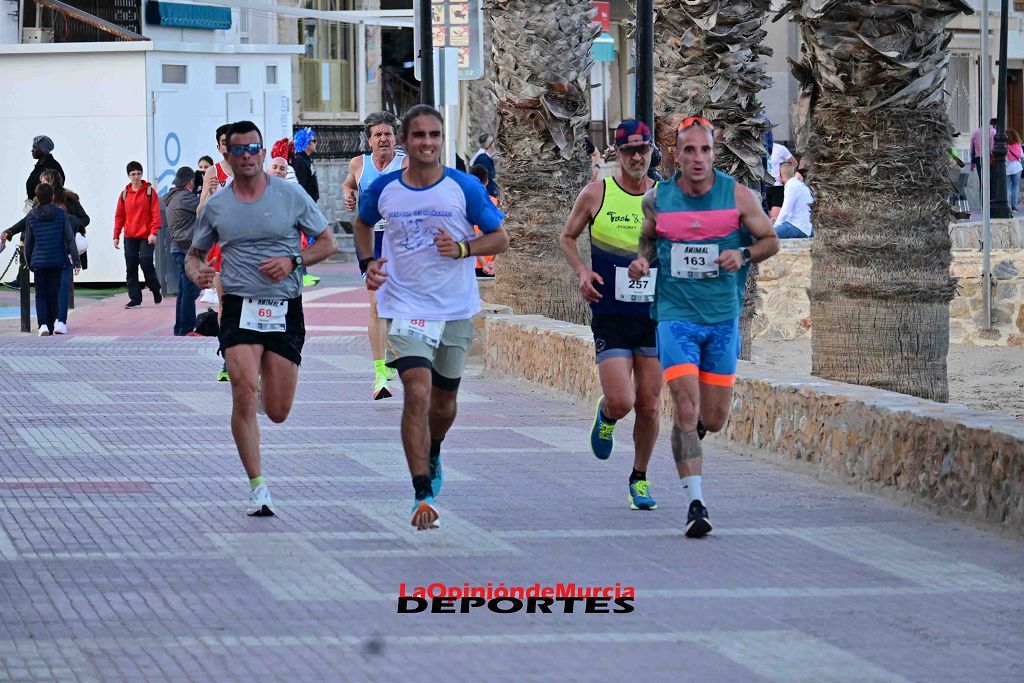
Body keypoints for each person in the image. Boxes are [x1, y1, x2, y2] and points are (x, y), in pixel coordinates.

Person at [355, 105, 509, 530]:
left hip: (455, 309)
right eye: (419, 135)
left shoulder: (463, 187)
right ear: (405, 140)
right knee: (417, 392)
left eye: (434, 135)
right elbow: (362, 223)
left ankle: (434, 446)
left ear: (442, 140)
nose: (427, 142)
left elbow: (500, 237)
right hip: (404, 307)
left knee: (443, 404)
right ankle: (421, 491)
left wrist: (462, 249)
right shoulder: (384, 189)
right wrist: (368, 261)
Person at [628, 115, 779, 538]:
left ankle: (689, 435)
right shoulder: (659, 199)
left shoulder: (738, 196)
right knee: (686, 407)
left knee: (712, 418)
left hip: (722, 322)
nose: (697, 158)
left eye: (705, 150)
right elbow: (649, 240)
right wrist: (643, 261)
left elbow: (770, 240)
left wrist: (744, 256)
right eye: (689, 149)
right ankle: (696, 502)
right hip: (675, 318)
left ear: (715, 152)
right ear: (676, 152)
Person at [186, 120, 337, 516]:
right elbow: (193, 255)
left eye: (254, 148)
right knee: (242, 393)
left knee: (277, 410)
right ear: (227, 156)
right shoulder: (218, 206)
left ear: (264, 151)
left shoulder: (290, 195)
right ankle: (258, 487)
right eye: (239, 150)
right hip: (239, 305)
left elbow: (327, 242)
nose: (248, 156)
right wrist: (196, 272)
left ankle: (259, 389)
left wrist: (293, 261)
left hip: (284, 306)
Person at [558, 119, 662, 512]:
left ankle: (639, 478)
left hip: (654, 314)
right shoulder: (596, 194)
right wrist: (583, 272)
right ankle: (606, 414)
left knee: (650, 405)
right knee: (623, 402)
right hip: (611, 312)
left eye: (643, 149)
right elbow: (567, 237)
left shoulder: (665, 197)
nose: (637, 156)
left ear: (653, 151)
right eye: (629, 150)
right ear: (616, 155)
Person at [344, 111, 408, 400]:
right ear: (369, 140)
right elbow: (348, 184)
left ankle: (393, 350)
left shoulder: (405, 163)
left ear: (395, 137)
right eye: (378, 134)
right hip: (370, 241)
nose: (384, 138)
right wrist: (348, 194)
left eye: (388, 133)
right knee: (376, 304)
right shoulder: (359, 164)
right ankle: (380, 373)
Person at [4, 170, 89, 333]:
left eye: (43, 180)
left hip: (57, 254)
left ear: (51, 182)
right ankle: (51, 323)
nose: (40, 183)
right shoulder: (39, 205)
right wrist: (10, 231)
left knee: (55, 289)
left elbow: (84, 219)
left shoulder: (68, 199)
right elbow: (26, 224)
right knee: (50, 290)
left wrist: (72, 222)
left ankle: (53, 322)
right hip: (57, 255)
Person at [24, 183, 80, 336]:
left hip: (39, 261)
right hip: (57, 260)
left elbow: (28, 244)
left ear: (37, 198)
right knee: (54, 293)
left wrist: (30, 262)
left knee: (41, 294)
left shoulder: (31, 216)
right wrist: (76, 261)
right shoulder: (60, 214)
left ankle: (43, 325)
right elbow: (69, 239)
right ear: (53, 197)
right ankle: (53, 323)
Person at [113, 161, 162, 309]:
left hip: (146, 235)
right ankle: (135, 298)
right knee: (131, 266)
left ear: (142, 174)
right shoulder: (124, 194)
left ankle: (155, 288)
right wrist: (116, 235)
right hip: (130, 236)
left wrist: (154, 232)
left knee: (146, 261)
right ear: (128, 176)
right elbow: (119, 216)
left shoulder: (149, 192)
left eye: (138, 173)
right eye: (133, 174)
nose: (136, 177)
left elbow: (155, 214)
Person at [164, 166, 201, 335]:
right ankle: (186, 329)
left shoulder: (173, 196)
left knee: (184, 291)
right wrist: (206, 189)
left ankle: (179, 329)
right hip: (186, 250)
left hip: (177, 248)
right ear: (190, 182)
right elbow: (206, 207)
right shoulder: (185, 197)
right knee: (190, 291)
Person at [467, 165, 497, 277]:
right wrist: (491, 263)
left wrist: (484, 264)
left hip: (470, 263)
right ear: (487, 181)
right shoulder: (495, 203)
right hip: (490, 263)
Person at [774, 161, 814, 238]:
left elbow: (785, 210)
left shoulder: (791, 186)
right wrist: (777, 220)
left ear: (780, 174)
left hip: (799, 227)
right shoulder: (797, 184)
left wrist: (775, 226)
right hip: (803, 225)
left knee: (768, 235)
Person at [26, 136, 64, 213]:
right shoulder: (38, 167)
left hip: (47, 212)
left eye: (35, 147)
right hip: (35, 210)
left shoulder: (52, 167)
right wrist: (29, 209)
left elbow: (56, 191)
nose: (32, 150)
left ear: (42, 150)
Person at [765, 142, 796, 220]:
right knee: (766, 217)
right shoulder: (759, 148)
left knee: (774, 217)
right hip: (765, 185)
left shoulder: (780, 148)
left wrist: (786, 175)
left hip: (777, 186)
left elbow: (794, 162)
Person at [292, 127, 319, 203]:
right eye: (314, 141)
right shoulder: (299, 161)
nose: (316, 143)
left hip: (310, 203)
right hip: (306, 204)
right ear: (306, 143)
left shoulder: (305, 159)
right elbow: (301, 185)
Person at [469, 132, 500, 197]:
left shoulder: (482, 157)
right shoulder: (483, 158)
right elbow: (484, 179)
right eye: (494, 142)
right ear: (491, 145)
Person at [970, 118, 997, 188]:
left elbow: (972, 148)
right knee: (991, 179)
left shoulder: (976, 132)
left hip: (979, 158)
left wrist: (972, 162)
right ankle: (991, 197)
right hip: (991, 158)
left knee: (982, 179)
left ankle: (982, 197)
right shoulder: (994, 132)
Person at [1006, 129, 1022, 213]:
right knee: (1015, 187)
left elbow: (1005, 159)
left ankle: (1007, 205)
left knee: (1008, 188)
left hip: (1007, 169)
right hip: (1017, 168)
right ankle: (1014, 206)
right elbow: (1022, 155)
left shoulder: (1005, 146)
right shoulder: (1017, 145)